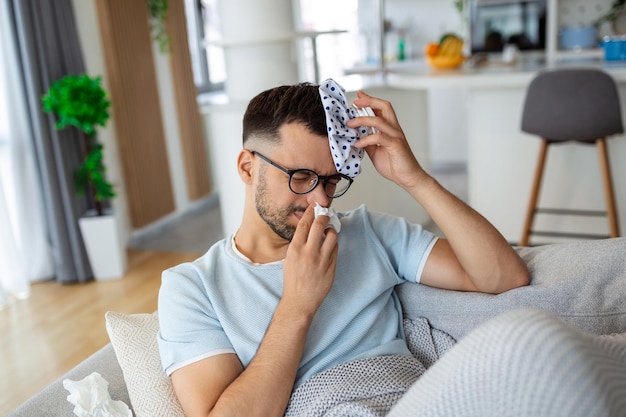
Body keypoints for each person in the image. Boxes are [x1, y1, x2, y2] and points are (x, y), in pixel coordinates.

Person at [157, 80, 530, 417]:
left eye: (332, 181)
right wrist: (298, 305)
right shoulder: (192, 288)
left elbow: (504, 275)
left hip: (419, 399)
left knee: (543, 347)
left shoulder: (368, 232)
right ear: (247, 168)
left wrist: (414, 179)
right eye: (301, 177)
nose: (320, 200)